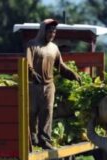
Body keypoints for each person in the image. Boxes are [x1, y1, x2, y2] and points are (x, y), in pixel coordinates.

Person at [26, 18, 81, 150]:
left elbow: (60, 66)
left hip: (49, 85)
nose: (52, 34)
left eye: (54, 32)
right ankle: (32, 138)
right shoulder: (32, 45)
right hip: (34, 85)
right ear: (43, 31)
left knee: (47, 111)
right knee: (32, 111)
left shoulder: (54, 48)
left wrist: (73, 74)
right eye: (50, 31)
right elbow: (27, 62)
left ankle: (44, 139)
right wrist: (32, 73)